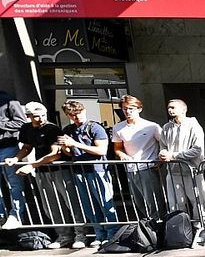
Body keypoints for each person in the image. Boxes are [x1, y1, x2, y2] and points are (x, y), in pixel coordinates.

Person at [5, 102, 80, 248]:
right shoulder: (26, 128)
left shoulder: (52, 129)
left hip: (60, 171)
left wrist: (31, 165)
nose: (40, 119)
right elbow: (27, 147)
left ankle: (80, 234)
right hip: (42, 171)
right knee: (51, 206)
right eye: (36, 116)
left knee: (71, 203)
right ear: (28, 117)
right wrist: (15, 158)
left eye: (43, 115)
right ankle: (63, 235)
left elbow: (55, 154)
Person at [58, 100, 119, 247]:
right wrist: (65, 147)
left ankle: (112, 233)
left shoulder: (95, 127)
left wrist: (75, 144)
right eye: (72, 115)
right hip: (79, 171)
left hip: (97, 170)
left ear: (84, 111)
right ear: (68, 115)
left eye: (79, 113)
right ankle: (99, 233)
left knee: (105, 202)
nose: (76, 117)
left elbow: (101, 150)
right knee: (89, 205)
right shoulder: (68, 130)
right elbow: (69, 153)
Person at [159, 99, 205, 244]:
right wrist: (163, 153)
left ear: (183, 109)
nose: (170, 110)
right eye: (168, 107)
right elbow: (163, 145)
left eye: (173, 107)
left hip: (192, 171)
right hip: (173, 172)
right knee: (175, 203)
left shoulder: (193, 126)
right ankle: (181, 230)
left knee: (198, 201)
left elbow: (197, 150)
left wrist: (174, 156)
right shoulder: (166, 127)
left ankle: (201, 227)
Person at [112, 94, 165, 220]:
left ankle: (159, 226)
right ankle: (149, 227)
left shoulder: (152, 126)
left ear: (139, 109)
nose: (128, 111)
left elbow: (164, 143)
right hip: (130, 168)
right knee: (139, 202)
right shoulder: (118, 127)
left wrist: (160, 159)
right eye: (125, 109)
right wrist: (122, 155)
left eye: (131, 108)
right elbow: (118, 148)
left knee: (154, 201)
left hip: (148, 167)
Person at [0, 92, 27, 230]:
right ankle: (1, 215)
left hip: (7, 147)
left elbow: (21, 122)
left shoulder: (8, 99)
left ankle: (16, 215)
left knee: (14, 183)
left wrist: (1, 123)